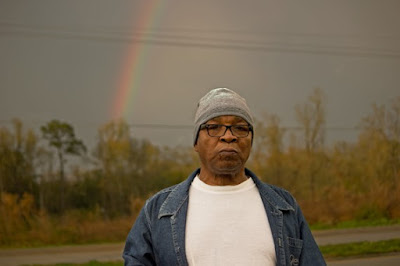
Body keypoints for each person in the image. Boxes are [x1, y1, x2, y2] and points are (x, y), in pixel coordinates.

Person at [123, 88, 326, 266]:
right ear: (196, 142)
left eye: (240, 127)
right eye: (213, 127)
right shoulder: (158, 211)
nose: (228, 136)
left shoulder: (285, 206)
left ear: (251, 140)